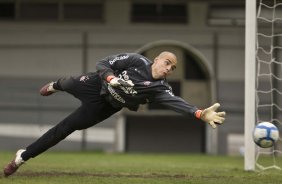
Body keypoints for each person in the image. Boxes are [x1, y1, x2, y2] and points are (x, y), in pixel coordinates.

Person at [3, 51, 226, 177]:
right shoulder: (136, 60)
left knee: (64, 129)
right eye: (167, 63)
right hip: (95, 84)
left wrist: (199, 114)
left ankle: (22, 156)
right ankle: (55, 85)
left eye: (172, 68)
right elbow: (103, 63)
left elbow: (177, 103)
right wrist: (110, 78)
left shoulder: (160, 89)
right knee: (68, 82)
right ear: (157, 59)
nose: (168, 68)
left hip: (105, 106)